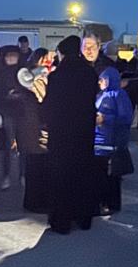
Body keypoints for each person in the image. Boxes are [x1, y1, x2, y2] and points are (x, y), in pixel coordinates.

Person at [42, 36, 99, 234]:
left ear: (63, 53)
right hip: (84, 133)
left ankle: (62, 221)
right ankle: (84, 218)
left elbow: (49, 107)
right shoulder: (90, 73)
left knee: (61, 177)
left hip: (61, 134)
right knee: (83, 174)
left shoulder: (57, 76)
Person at [94, 66, 135, 214]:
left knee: (110, 176)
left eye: (102, 79)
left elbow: (125, 118)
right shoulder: (102, 95)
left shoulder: (119, 95)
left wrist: (105, 118)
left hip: (110, 142)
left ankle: (110, 204)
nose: (100, 82)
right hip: (99, 141)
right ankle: (103, 203)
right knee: (101, 175)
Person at [16, 49, 51, 213]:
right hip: (36, 126)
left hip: (33, 125)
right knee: (37, 164)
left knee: (35, 163)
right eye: (46, 58)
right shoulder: (36, 79)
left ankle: (34, 201)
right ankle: (36, 202)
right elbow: (44, 100)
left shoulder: (34, 77)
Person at [0, 44, 26, 189]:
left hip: (22, 113)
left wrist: (20, 95)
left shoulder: (23, 72)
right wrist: (5, 98)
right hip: (6, 113)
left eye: (14, 55)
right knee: (7, 146)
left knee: (23, 146)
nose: (11, 58)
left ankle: (23, 175)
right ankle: (6, 176)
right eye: (8, 56)